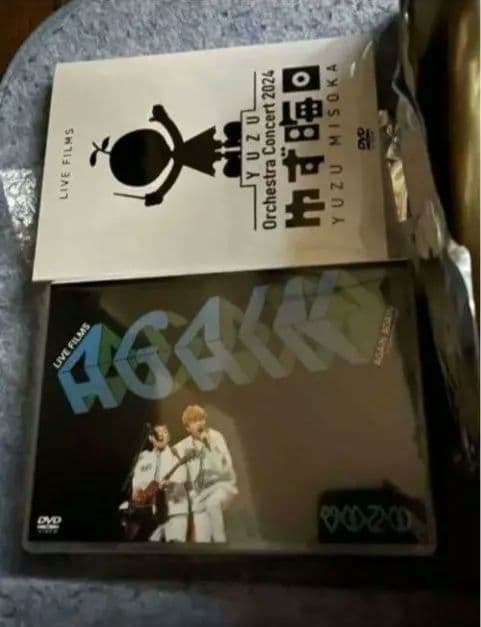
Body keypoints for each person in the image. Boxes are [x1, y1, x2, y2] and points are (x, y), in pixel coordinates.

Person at [174, 404, 238, 543]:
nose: (200, 423)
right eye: (194, 421)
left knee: (212, 503)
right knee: (202, 539)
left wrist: (208, 445)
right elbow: (176, 466)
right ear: (187, 428)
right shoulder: (183, 446)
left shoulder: (216, 437)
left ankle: (221, 543)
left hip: (221, 486)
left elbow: (225, 468)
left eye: (201, 419)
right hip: (200, 494)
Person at [131, 423, 189, 542]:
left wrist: (170, 484)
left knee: (175, 549)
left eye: (165, 432)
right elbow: (137, 485)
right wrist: (139, 492)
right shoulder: (143, 458)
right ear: (150, 437)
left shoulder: (176, 453)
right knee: (151, 549)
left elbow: (183, 476)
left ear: (169, 436)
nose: (161, 435)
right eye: (157, 433)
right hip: (152, 515)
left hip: (175, 511)